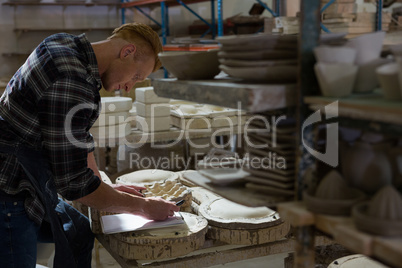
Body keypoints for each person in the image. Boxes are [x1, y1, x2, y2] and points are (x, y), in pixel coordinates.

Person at [0, 22, 179, 268]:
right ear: (127, 52)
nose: (129, 87)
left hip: (28, 171)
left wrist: (107, 186)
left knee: (79, 234)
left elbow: (77, 139)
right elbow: (76, 185)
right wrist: (144, 207)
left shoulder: (63, 44)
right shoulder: (71, 77)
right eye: (136, 76)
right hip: (10, 187)